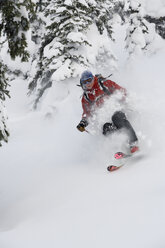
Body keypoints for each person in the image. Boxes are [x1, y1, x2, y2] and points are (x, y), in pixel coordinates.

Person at [76, 70, 139, 154]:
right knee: (106, 128)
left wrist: (126, 100)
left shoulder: (104, 84)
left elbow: (121, 91)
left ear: (93, 78)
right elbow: (87, 113)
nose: (88, 83)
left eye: (89, 80)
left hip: (118, 108)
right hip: (106, 117)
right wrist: (83, 123)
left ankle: (133, 143)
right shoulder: (86, 98)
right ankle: (121, 149)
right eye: (85, 82)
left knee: (116, 118)